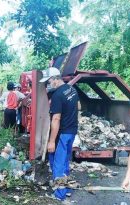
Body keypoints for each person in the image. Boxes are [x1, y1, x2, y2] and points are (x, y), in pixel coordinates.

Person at [40, 67, 79, 201]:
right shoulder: (72, 89)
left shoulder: (57, 95)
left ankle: (60, 195)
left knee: (58, 163)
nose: (48, 84)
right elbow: (77, 107)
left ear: (55, 79)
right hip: (72, 131)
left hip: (62, 133)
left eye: (49, 81)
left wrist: (51, 141)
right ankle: (66, 189)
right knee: (65, 161)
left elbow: (56, 119)